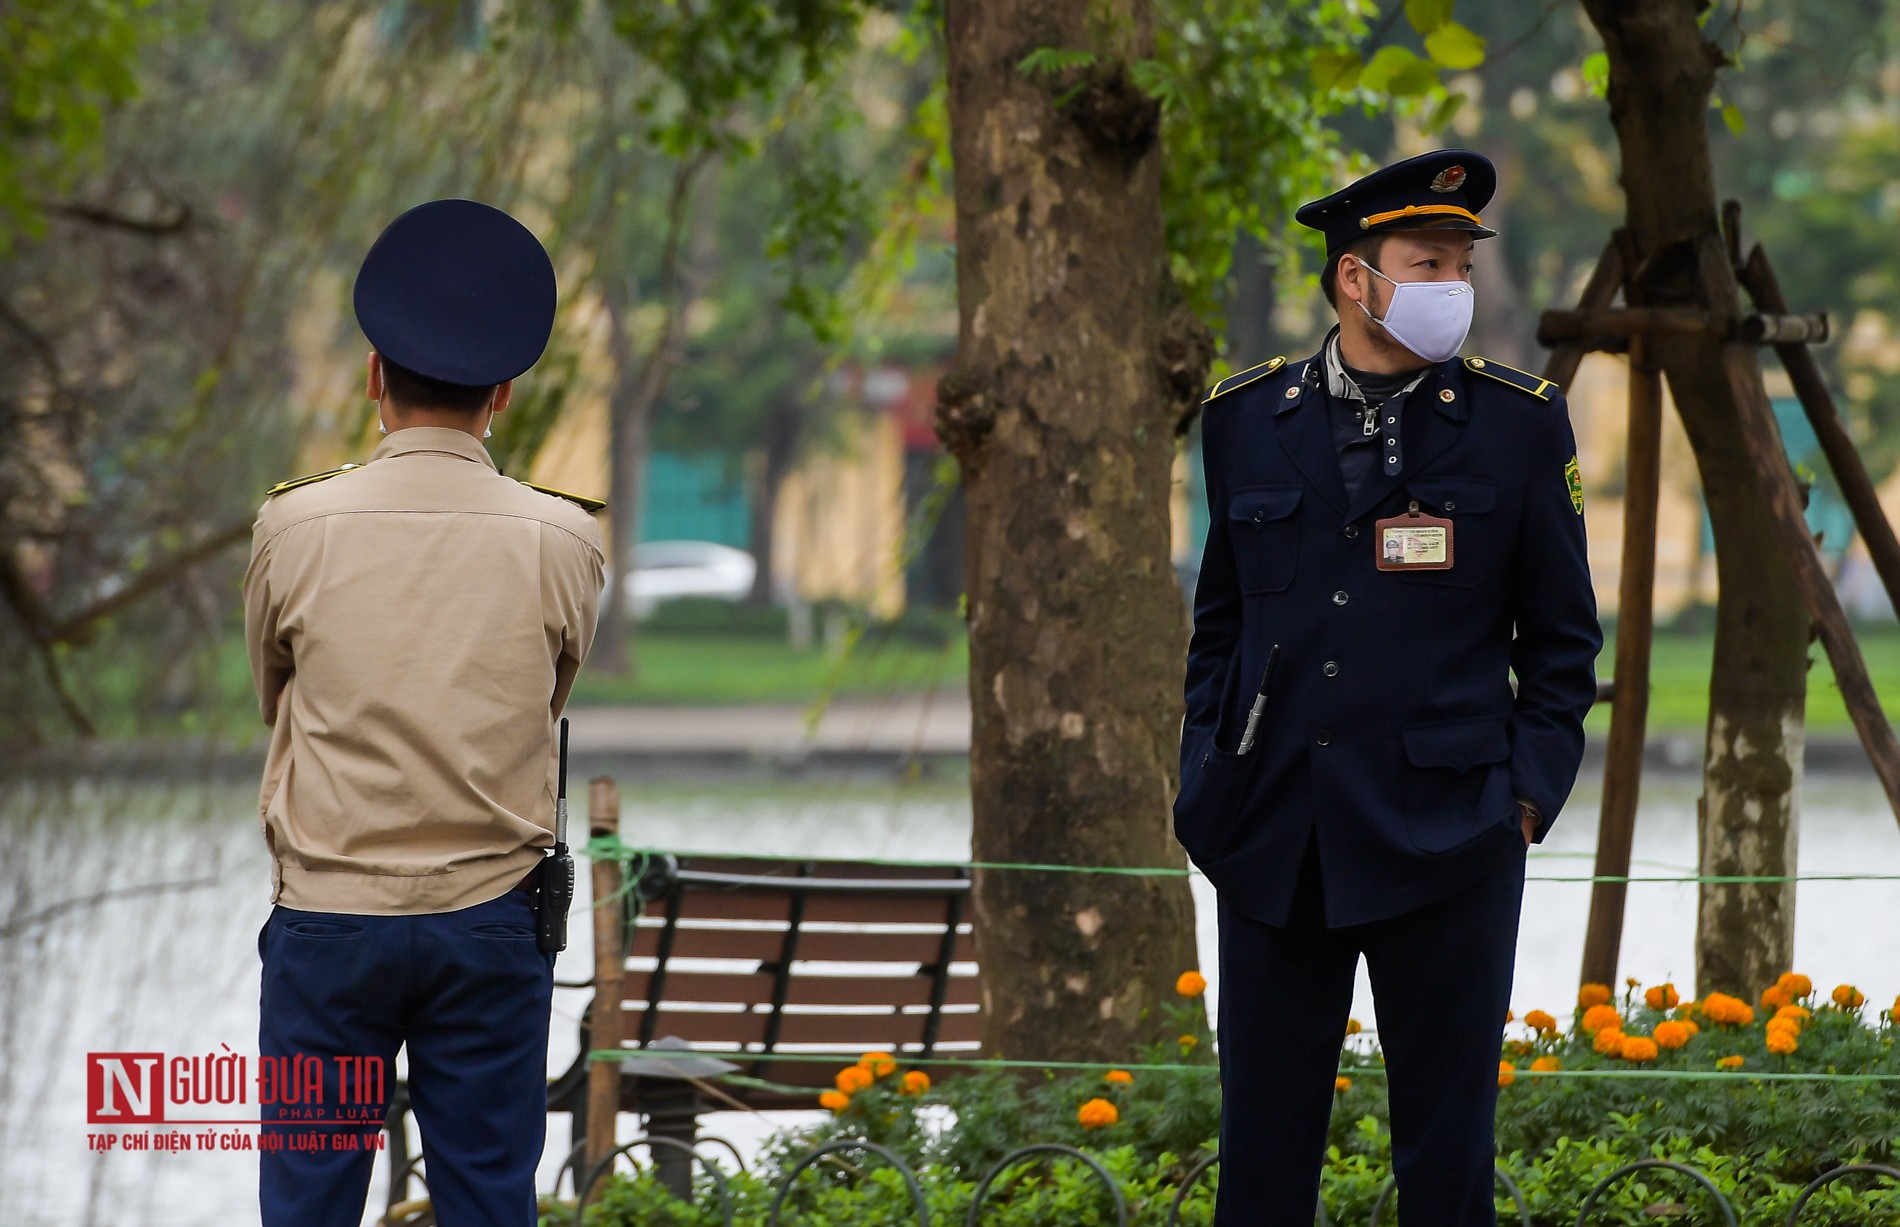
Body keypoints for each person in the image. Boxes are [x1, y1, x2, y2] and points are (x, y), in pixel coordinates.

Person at [1173, 150, 1601, 1224]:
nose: (1452, 285)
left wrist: (1524, 799)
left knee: (1447, 1155)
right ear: (1355, 281)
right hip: (1275, 832)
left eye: (1460, 261)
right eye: (1428, 262)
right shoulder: (1243, 419)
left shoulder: (1517, 423)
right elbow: (1218, 626)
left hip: (1452, 832)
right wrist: (1205, 784)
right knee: (1261, 1157)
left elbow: (1560, 644)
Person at [243, 198, 606, 1227]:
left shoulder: (291, 526)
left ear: (374, 381)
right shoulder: (564, 540)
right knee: (489, 1200)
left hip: (327, 923)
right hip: (491, 919)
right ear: (501, 396)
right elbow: (547, 699)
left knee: (307, 1203)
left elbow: (278, 694)